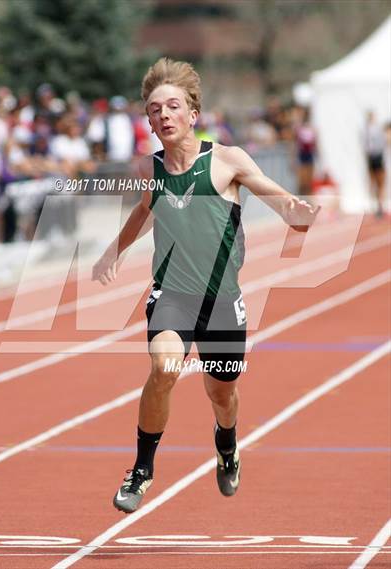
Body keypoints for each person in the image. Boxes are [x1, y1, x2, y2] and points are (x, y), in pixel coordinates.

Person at [92, 58, 319, 514]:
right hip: (172, 296)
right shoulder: (149, 168)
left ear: (192, 114)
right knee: (166, 369)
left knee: (222, 393)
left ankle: (227, 443)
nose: (164, 116)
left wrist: (298, 215)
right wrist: (112, 252)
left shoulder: (228, 161)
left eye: (173, 106)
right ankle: (142, 470)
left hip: (222, 302)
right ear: (149, 121)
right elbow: (144, 210)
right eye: (155, 110)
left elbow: (283, 205)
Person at [364, 111, 386, 218]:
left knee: (378, 183)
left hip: (375, 157)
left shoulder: (372, 130)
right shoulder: (369, 130)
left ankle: (379, 206)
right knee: (376, 183)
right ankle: (377, 206)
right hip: (374, 158)